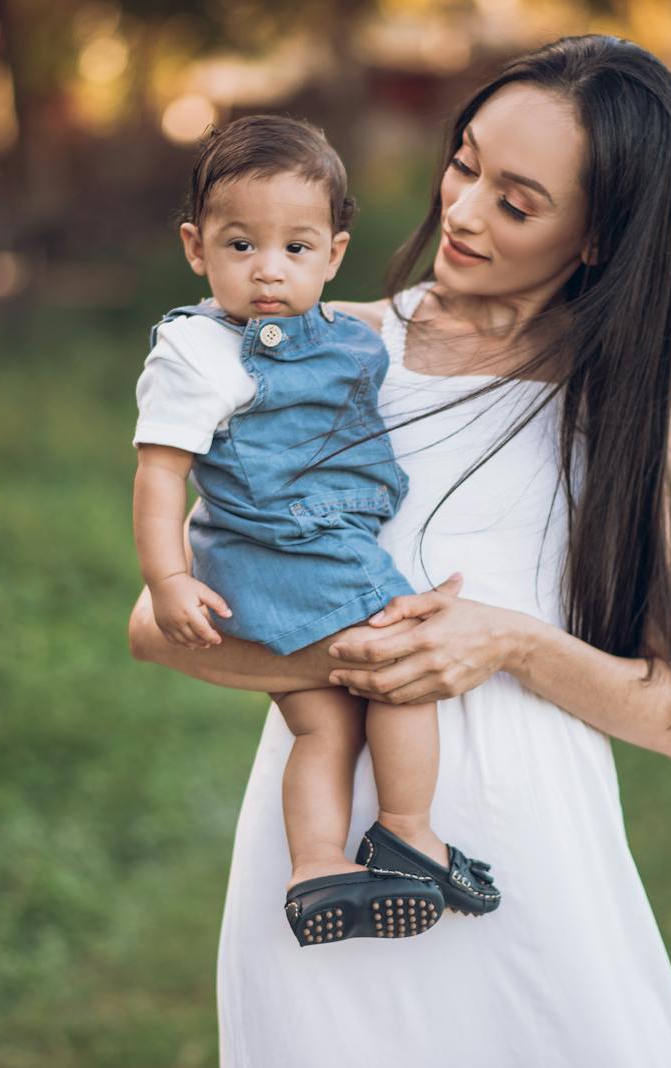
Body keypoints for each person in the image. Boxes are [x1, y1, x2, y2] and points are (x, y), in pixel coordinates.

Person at [129, 33, 671, 1065]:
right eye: (464, 164)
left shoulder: (630, 418)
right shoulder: (321, 352)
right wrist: (353, 660)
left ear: (598, 237)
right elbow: (156, 625)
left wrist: (507, 645)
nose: (464, 209)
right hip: (321, 870)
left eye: (517, 203)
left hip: (528, 866)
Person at [131, 115, 500, 949]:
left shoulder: (347, 333)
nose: (268, 270)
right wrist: (167, 581)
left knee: (323, 724)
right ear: (196, 248)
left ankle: (317, 867)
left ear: (334, 256)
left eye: (296, 249)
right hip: (291, 554)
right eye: (240, 246)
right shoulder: (198, 352)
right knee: (401, 671)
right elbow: (159, 474)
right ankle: (409, 834)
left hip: (304, 554)